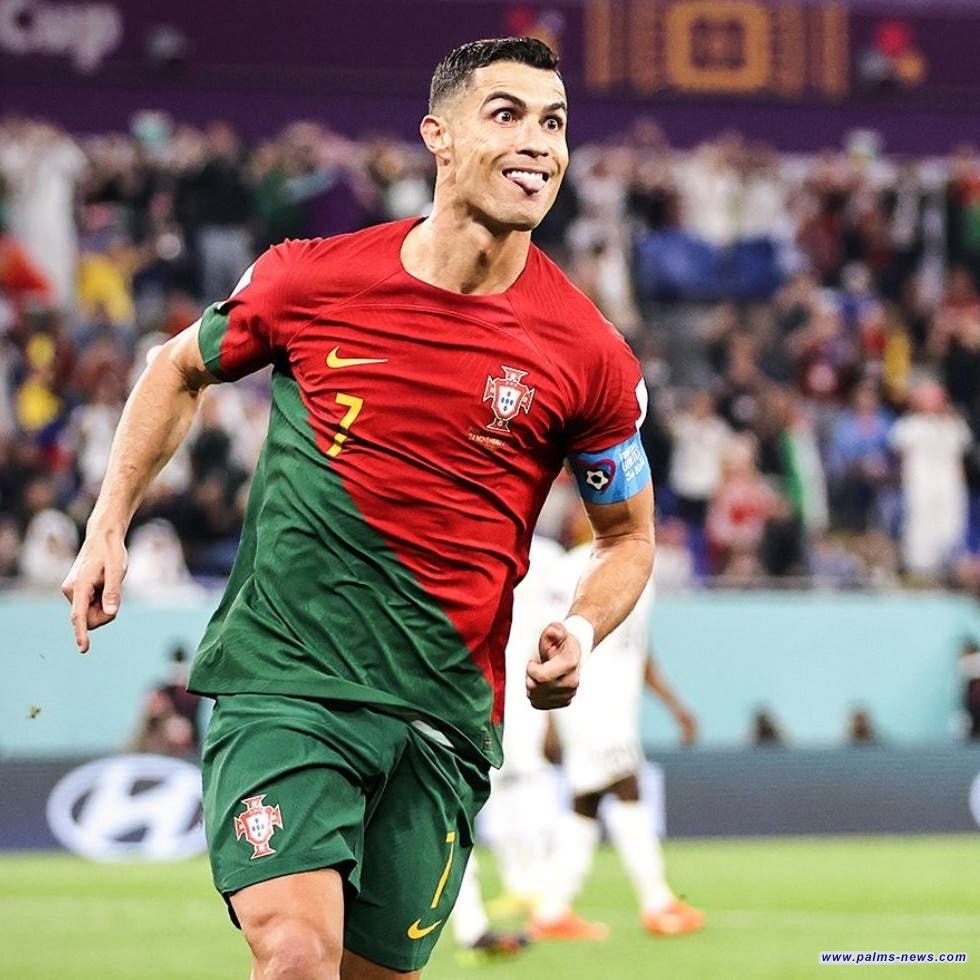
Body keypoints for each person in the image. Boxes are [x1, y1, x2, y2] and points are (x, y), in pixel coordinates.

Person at [61, 37, 655, 980]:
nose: (537, 142)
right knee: (296, 957)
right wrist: (106, 525)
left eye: (554, 123)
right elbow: (175, 368)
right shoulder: (310, 278)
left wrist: (582, 628)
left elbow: (627, 537)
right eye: (506, 115)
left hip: (443, 716)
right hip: (288, 683)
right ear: (438, 136)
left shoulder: (591, 353)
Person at [528, 535, 704, 941]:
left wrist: (674, 705)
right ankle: (657, 902)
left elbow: (639, 648)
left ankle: (553, 910)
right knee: (627, 786)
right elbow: (549, 645)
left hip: (617, 709)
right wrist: (549, 721)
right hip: (590, 705)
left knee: (585, 802)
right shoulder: (569, 570)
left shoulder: (637, 564)